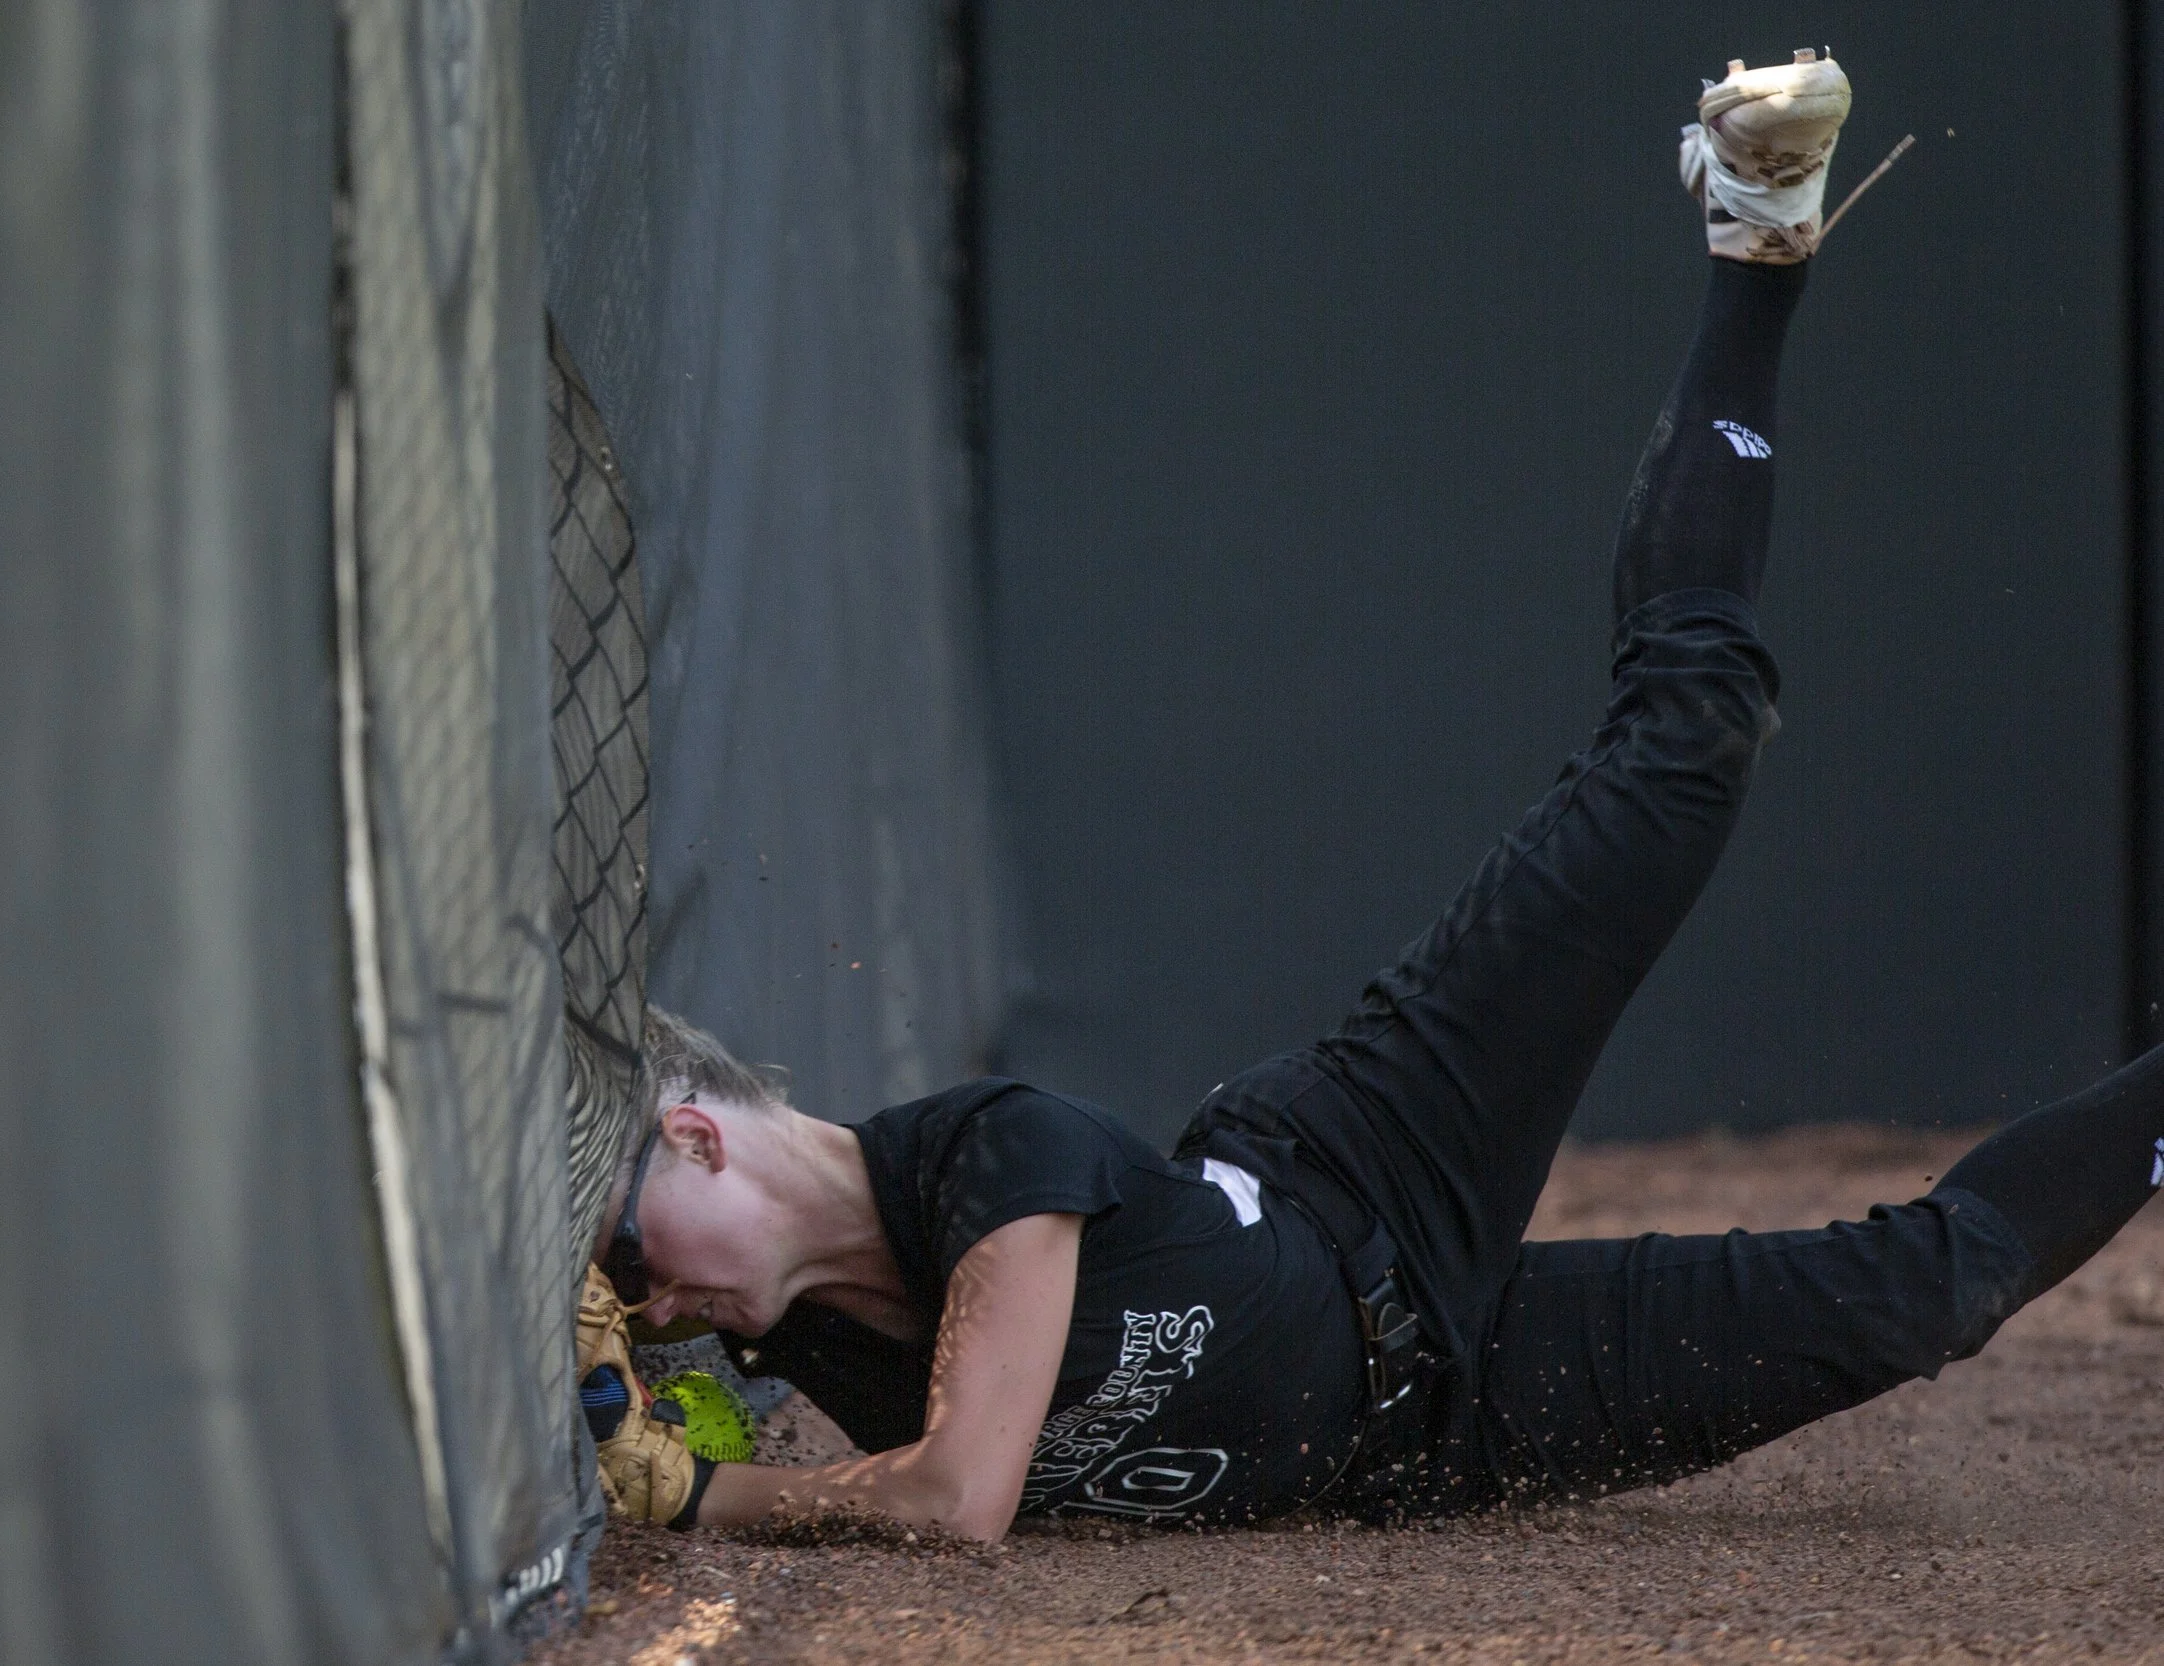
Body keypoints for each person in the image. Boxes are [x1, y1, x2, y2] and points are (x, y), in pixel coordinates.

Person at [574, 50, 2164, 1540]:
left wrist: (711, 1502)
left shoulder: (974, 1157)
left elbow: (957, 1498)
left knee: (1688, 748)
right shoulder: (777, 1346)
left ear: (702, 1137)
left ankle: (1755, 244)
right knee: (1923, 1300)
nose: (649, 1305)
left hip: (1373, 1164)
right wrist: (607, 1395)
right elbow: (620, 1417)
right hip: (1435, 1427)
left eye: (631, 1252)